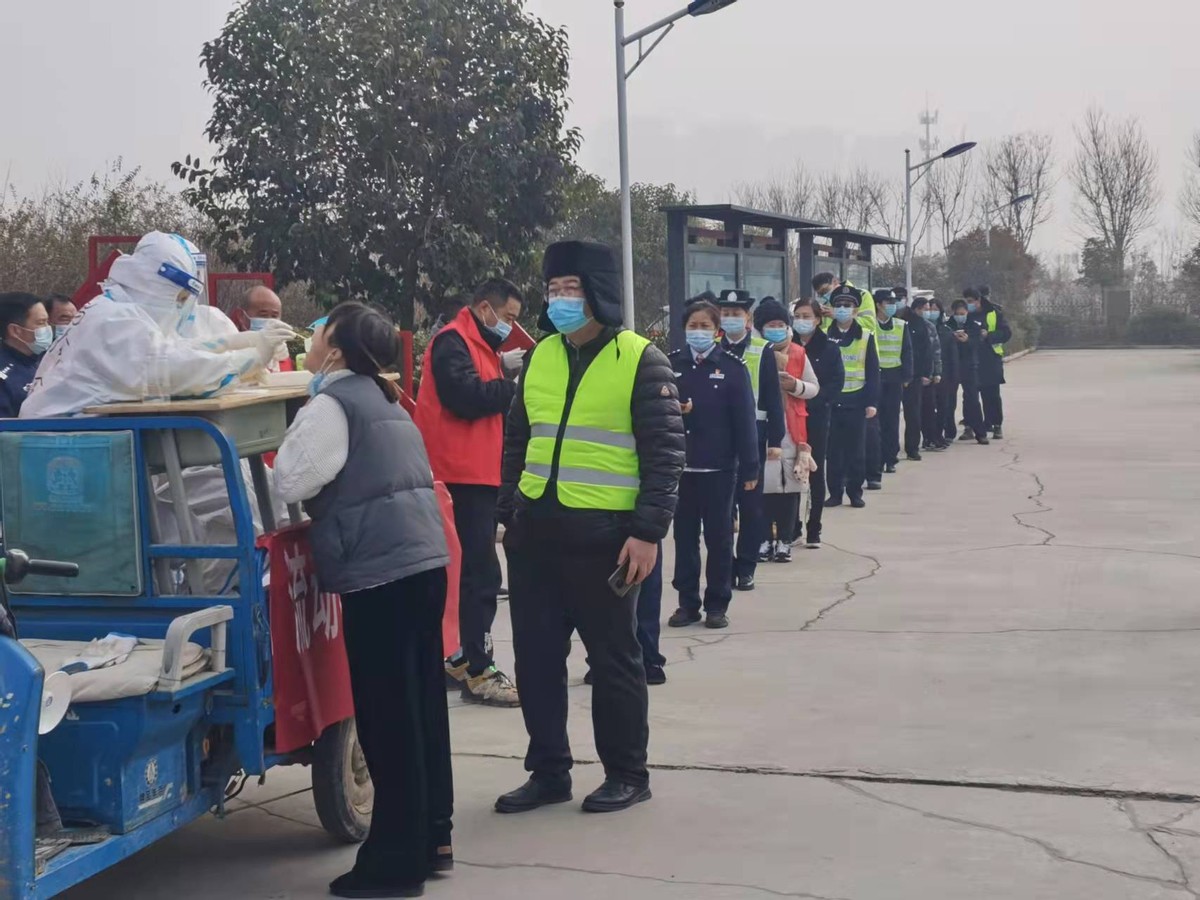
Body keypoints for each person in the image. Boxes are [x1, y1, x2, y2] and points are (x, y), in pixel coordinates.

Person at [495, 240, 684, 815]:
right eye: (553, 290)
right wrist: (507, 511)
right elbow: (517, 439)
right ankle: (549, 771)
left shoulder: (641, 359)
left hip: (607, 540)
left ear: (598, 292)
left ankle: (627, 773)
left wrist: (648, 532)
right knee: (535, 661)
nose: (559, 300)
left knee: (613, 661)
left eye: (571, 289)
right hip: (535, 536)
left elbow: (665, 455)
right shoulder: (540, 357)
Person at [274, 302, 453, 899]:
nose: (309, 342)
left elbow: (291, 481)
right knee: (421, 708)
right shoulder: (386, 398)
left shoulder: (334, 404)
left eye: (319, 333)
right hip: (421, 563)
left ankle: (394, 865)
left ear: (337, 350)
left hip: (381, 573)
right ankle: (433, 839)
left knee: (387, 717)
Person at [21, 232, 292, 418]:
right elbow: (172, 370)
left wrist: (240, 342)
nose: (181, 308)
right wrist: (253, 357)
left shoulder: (115, 308)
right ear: (154, 284)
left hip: (72, 436)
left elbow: (173, 350)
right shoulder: (114, 320)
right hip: (58, 444)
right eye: (180, 298)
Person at [414, 278, 525, 708]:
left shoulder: (479, 345)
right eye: (508, 317)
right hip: (457, 475)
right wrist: (513, 387)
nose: (509, 327)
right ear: (484, 309)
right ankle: (479, 668)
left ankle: (458, 657)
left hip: (476, 472)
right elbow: (465, 397)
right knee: (479, 574)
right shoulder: (452, 342)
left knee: (468, 574)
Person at [666, 299, 757, 628]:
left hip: (719, 468)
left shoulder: (732, 368)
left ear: (717, 331)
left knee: (718, 539)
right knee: (684, 538)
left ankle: (717, 603)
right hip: (682, 467)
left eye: (705, 326)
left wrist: (750, 467)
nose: (698, 331)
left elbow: (745, 421)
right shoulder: (671, 364)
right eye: (693, 326)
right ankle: (687, 603)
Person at [717, 289, 783, 592]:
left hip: (754, 437)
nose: (730, 318)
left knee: (751, 506)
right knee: (721, 509)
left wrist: (776, 440)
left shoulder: (762, 349)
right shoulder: (711, 348)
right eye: (725, 313)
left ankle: (746, 566)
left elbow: (772, 396)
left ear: (748, 318)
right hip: (718, 437)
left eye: (736, 314)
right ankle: (724, 566)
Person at [754, 297, 819, 562]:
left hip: (792, 430)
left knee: (790, 488)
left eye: (780, 324)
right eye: (770, 325)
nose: (776, 329)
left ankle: (785, 539)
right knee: (763, 488)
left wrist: (794, 385)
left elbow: (813, 387)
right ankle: (763, 539)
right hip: (761, 427)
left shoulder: (798, 353)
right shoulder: (754, 352)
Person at [789, 297, 843, 548]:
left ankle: (814, 528)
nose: (801, 321)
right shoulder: (785, 346)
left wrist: (814, 399)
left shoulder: (829, 348)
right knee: (790, 469)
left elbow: (836, 382)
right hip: (790, 416)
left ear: (818, 320)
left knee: (814, 469)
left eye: (806, 316)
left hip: (817, 415)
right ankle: (792, 527)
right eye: (797, 316)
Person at [824, 286, 879, 509]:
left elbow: (872, 372)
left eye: (847, 306)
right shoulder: (825, 335)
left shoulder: (865, 336)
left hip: (856, 401)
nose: (842, 309)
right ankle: (835, 493)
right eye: (838, 305)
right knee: (833, 452)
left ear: (855, 310)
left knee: (856, 451)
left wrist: (872, 402)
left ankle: (855, 493)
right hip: (831, 402)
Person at [870, 289, 912, 482]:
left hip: (894, 377)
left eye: (893, 302)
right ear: (878, 304)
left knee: (892, 419)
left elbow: (907, 352)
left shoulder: (901, 325)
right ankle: (877, 459)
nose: (892, 306)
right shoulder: (870, 325)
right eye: (888, 302)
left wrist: (907, 376)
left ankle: (890, 458)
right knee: (875, 421)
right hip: (875, 377)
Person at [0, 293, 51, 417]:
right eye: (41, 323)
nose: (48, 328)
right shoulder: (4, 375)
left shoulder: (49, 359)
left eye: (47, 322)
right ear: (15, 330)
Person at [900, 295, 936, 462]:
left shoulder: (920, 324)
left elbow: (927, 350)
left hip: (914, 376)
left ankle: (912, 448)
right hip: (892, 375)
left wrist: (926, 373)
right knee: (889, 416)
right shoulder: (896, 322)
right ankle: (889, 451)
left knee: (913, 414)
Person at [950, 298, 990, 445]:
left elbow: (979, 344)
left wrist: (967, 341)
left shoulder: (973, 325)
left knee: (972, 398)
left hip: (969, 366)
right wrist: (953, 338)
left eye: (962, 313)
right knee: (949, 400)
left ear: (967, 312)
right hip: (952, 366)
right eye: (957, 314)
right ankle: (948, 433)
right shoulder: (948, 325)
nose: (960, 316)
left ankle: (980, 433)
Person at [906, 296, 944, 455]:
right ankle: (914, 444)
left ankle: (931, 438)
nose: (928, 312)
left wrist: (936, 372)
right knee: (915, 412)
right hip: (914, 375)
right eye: (925, 309)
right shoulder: (908, 325)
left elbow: (935, 351)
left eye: (929, 309)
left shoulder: (929, 327)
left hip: (928, 374)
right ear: (916, 309)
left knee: (929, 408)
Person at [974, 285, 1012, 439]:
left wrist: (989, 335)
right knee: (972, 395)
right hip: (973, 359)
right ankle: (973, 425)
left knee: (992, 394)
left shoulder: (995, 313)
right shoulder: (968, 313)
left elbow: (1006, 333)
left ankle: (996, 424)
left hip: (991, 358)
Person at [928, 298, 960, 446]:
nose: (932, 312)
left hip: (944, 375)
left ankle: (946, 433)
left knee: (945, 406)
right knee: (928, 408)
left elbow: (953, 357)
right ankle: (930, 436)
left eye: (935, 309)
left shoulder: (946, 331)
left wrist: (954, 377)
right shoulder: (921, 329)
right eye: (929, 309)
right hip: (927, 374)